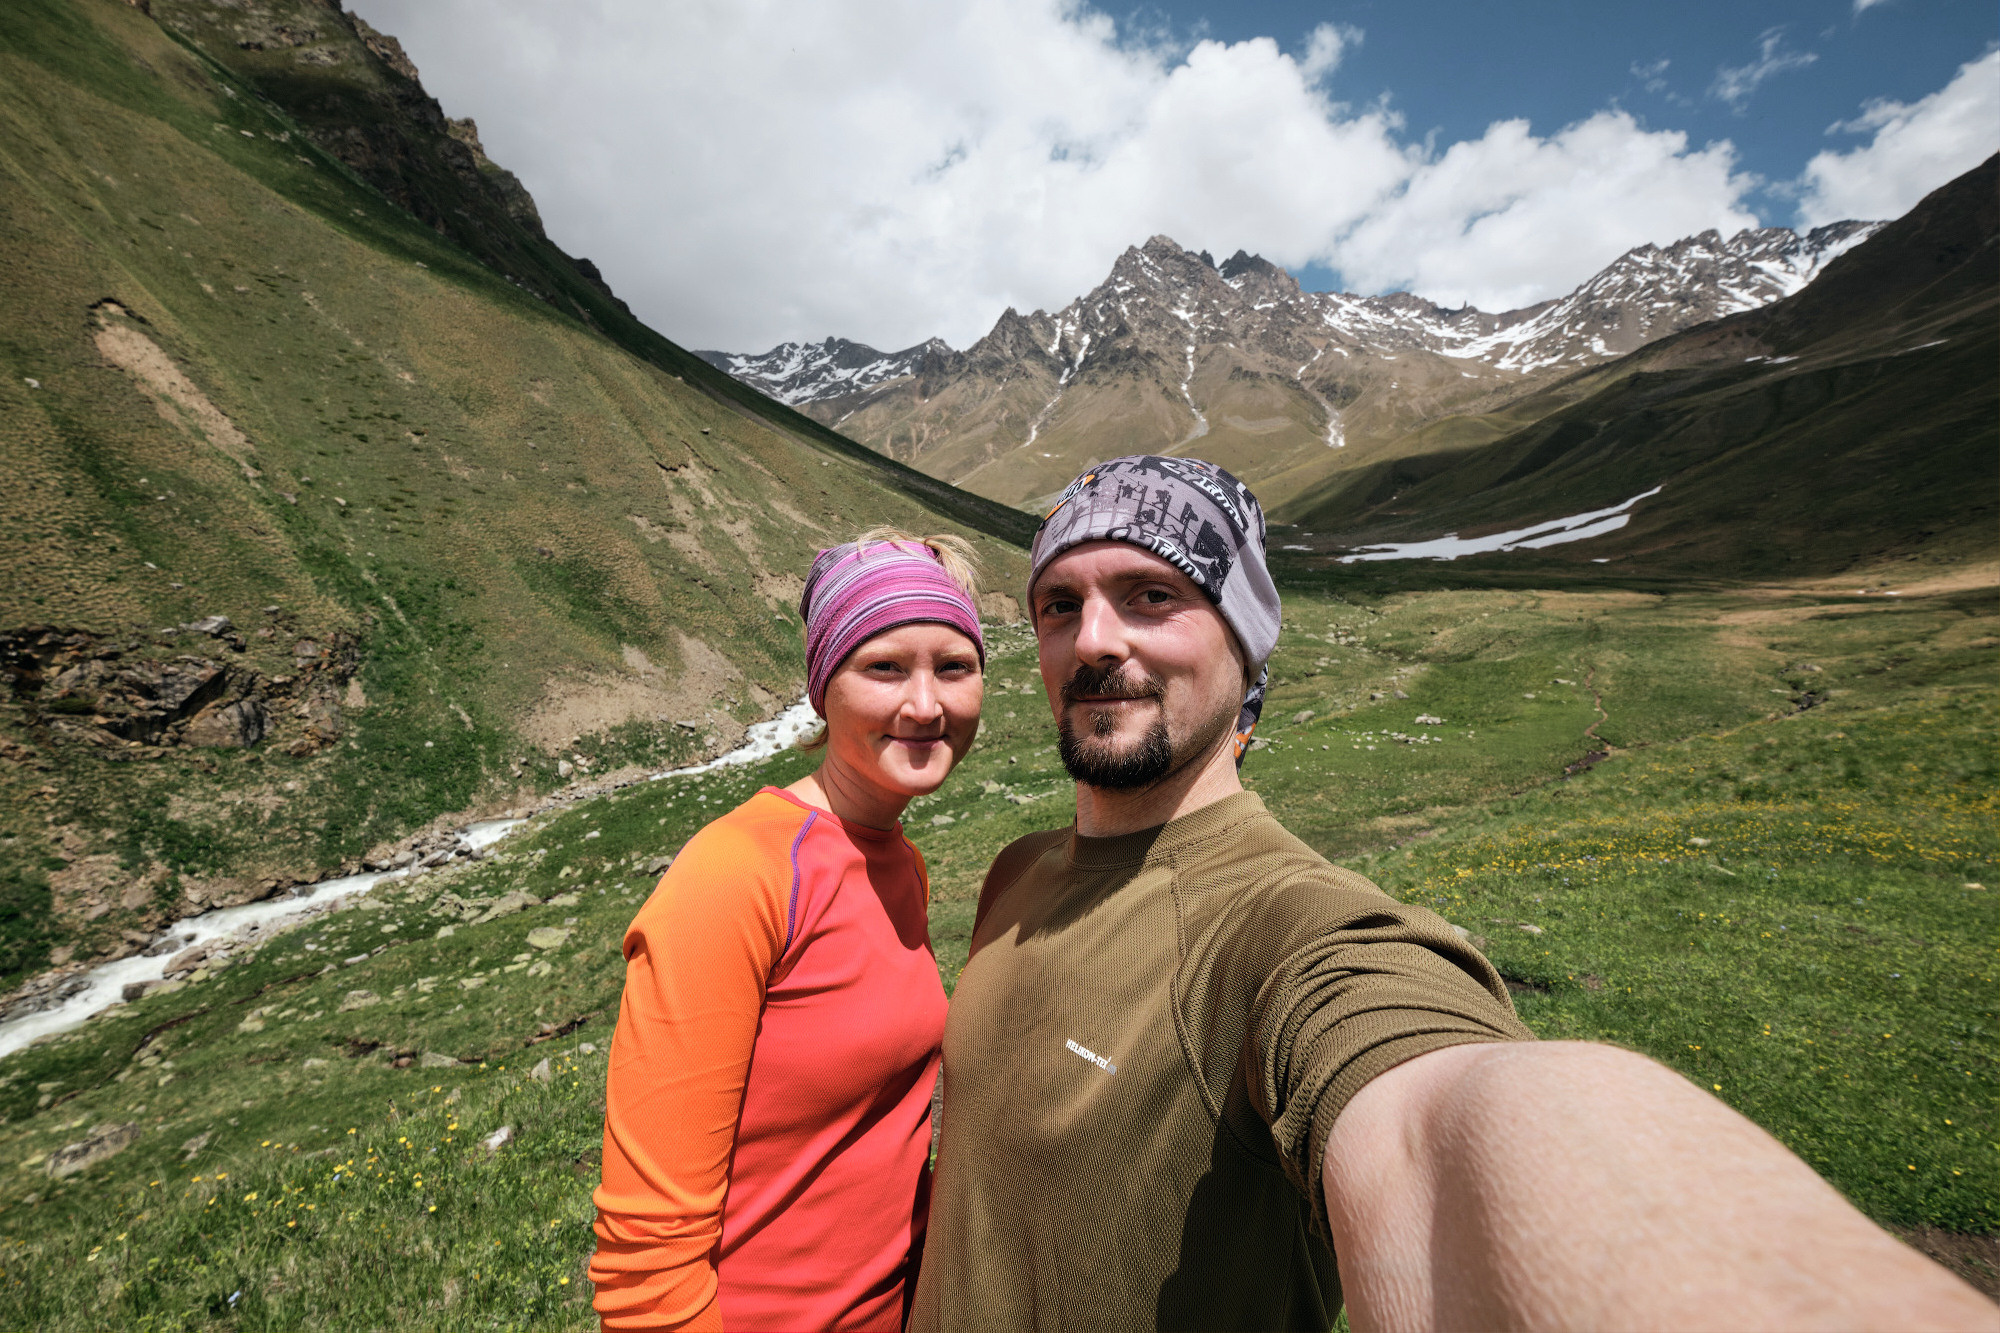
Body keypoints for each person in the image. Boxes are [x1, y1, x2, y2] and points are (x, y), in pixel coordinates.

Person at [912, 456, 1995, 1332]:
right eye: (1060, 605)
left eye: (1153, 596)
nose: (1095, 639)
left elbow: (1430, 1118)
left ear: (1243, 649)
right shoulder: (1015, 871)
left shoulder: (1289, 924)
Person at [590, 529, 986, 1332]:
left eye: (953, 666)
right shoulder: (736, 874)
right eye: (884, 667)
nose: (925, 703)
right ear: (822, 687)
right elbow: (647, 1252)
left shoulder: (898, 862)